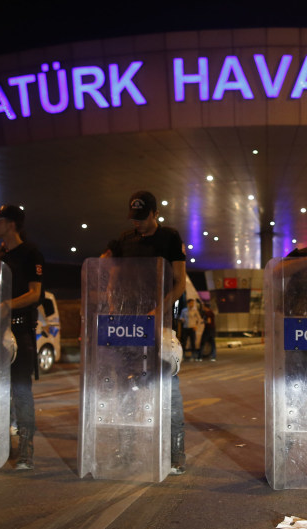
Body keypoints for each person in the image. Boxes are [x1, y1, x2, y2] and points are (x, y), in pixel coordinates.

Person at [104, 190, 188, 475]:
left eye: (142, 218)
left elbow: (179, 284)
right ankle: (126, 450)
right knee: (126, 387)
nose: (137, 223)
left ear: (154, 213)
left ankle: (175, 455)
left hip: (157, 323)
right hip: (129, 323)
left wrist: (160, 310)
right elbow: (112, 277)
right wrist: (112, 306)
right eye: (134, 218)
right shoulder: (125, 240)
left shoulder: (169, 238)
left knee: (168, 387)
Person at [0, 204, 45, 470]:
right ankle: (0, 446)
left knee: (21, 391)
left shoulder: (30, 253)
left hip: (20, 331)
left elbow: (35, 294)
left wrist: (7, 304)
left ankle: (25, 449)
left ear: (11, 224)